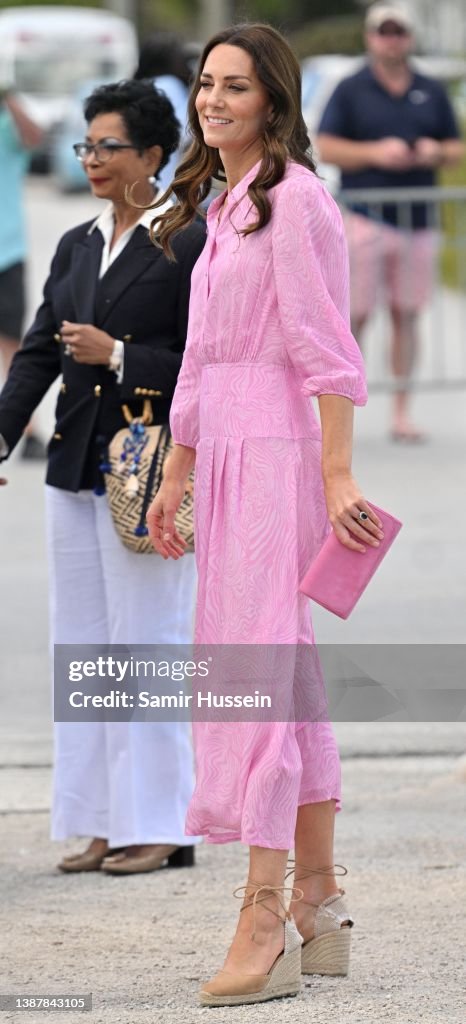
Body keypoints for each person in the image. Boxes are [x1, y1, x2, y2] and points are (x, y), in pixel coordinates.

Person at [146, 23, 382, 1008]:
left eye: (234, 87)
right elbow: (200, 357)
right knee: (278, 674)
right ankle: (319, 903)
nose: (213, 101)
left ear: (272, 101)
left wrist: (335, 478)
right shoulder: (224, 201)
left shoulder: (299, 203)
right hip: (228, 453)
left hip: (281, 458)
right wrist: (175, 473)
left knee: (258, 681)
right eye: (205, 84)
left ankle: (262, 916)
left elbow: (329, 353)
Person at [0, 80, 205, 874]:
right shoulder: (77, 243)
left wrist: (119, 357)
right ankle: (102, 818)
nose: (90, 158)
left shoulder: (188, 240)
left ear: (153, 157)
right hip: (73, 466)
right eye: (86, 145)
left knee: (146, 643)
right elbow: (45, 350)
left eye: (107, 146)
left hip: (151, 467)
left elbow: (203, 361)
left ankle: (163, 820)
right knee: (82, 645)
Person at [317, 3, 464, 441]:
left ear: (410, 37)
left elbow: (456, 147)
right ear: (370, 36)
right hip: (366, 216)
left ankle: (401, 410)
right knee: (354, 317)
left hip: (417, 219)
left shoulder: (430, 89)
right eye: (385, 31)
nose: (392, 39)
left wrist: (435, 152)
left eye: (399, 32)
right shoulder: (350, 88)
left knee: (407, 314)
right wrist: (376, 153)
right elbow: (326, 146)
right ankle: (339, 413)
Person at [0, 87, 45, 458]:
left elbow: (36, 137)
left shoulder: (8, 128)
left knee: (13, 344)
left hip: (7, 249)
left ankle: (28, 430)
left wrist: (10, 97)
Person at [133, 32, 192, 193]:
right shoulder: (170, 85)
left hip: (143, 185)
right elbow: (186, 130)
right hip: (169, 186)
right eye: (181, 56)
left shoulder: (138, 88)